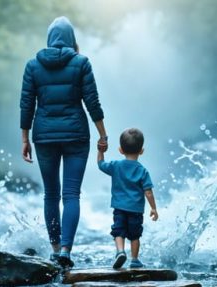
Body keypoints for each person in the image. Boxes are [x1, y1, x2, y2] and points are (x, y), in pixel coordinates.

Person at [20, 16, 109, 267]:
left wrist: (24, 138)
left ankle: (55, 248)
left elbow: (27, 104)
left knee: (51, 194)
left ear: (49, 38)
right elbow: (92, 101)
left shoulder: (33, 66)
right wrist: (103, 133)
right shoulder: (81, 63)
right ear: (71, 39)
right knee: (71, 195)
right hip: (76, 136)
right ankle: (66, 251)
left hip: (44, 136)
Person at [98, 128, 158, 269]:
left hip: (119, 208)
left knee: (118, 230)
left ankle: (120, 252)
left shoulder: (115, 166)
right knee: (135, 235)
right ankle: (135, 260)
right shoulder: (142, 170)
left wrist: (100, 151)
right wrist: (153, 208)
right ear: (141, 151)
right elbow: (148, 192)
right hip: (136, 210)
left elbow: (101, 165)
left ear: (120, 150)